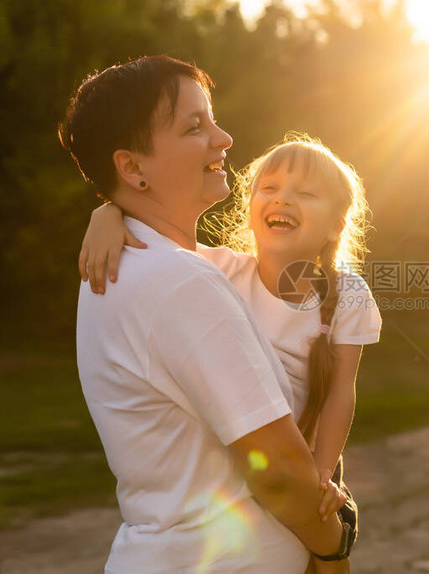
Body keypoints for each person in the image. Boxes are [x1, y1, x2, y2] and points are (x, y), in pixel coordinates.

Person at [59, 55, 353, 573]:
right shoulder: (180, 282)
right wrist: (335, 548)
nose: (224, 139)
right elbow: (279, 472)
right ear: (132, 167)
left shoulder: (132, 265)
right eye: (195, 126)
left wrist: (109, 208)